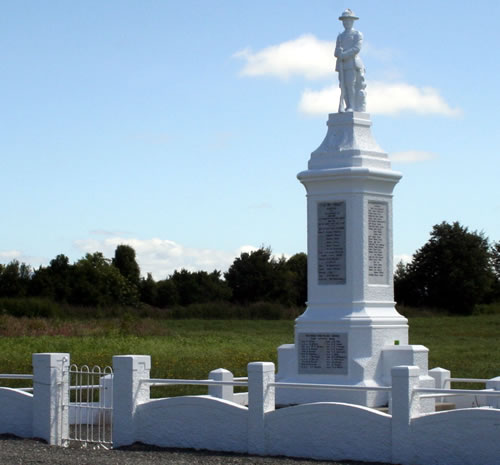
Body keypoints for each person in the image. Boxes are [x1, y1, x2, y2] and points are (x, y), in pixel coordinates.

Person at [334, 9, 366, 112]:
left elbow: (356, 48)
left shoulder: (357, 34)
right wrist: (339, 53)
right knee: (343, 87)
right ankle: (346, 105)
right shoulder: (340, 36)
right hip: (342, 65)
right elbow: (335, 52)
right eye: (344, 21)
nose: (346, 23)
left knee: (351, 85)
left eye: (348, 20)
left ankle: (351, 106)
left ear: (352, 21)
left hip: (352, 64)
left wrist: (344, 54)